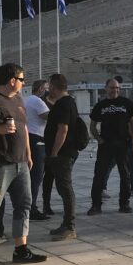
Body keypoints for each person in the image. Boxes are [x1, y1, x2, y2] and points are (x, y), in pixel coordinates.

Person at [0, 64, 48, 263]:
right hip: (1, 162)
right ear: (12, 80)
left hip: (21, 162)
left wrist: (28, 153)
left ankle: (21, 249)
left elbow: (23, 127)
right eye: (22, 80)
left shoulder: (18, 99)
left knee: (24, 204)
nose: (24, 83)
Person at [87, 78, 133, 216]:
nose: (115, 90)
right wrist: (98, 139)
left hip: (123, 144)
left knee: (125, 175)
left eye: (117, 88)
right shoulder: (101, 105)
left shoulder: (127, 103)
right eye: (112, 87)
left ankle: (124, 204)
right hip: (106, 145)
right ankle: (96, 205)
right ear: (106, 88)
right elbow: (92, 125)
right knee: (99, 175)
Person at [44, 73, 80, 240]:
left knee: (65, 189)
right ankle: (66, 224)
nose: (48, 89)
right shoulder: (67, 102)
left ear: (53, 86)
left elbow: (62, 129)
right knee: (63, 187)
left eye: (49, 85)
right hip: (64, 152)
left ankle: (69, 226)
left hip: (63, 154)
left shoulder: (64, 104)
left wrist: (54, 152)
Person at [25, 79, 51, 221]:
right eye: (46, 88)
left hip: (30, 137)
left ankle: (28, 207)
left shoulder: (28, 99)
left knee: (32, 176)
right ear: (41, 88)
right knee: (36, 176)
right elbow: (50, 117)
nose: (48, 90)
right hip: (36, 139)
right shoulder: (37, 101)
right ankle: (32, 209)